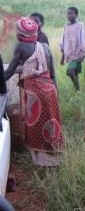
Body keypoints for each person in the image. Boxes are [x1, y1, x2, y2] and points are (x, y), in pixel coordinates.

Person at [4, 17, 64, 166]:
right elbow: (51, 72)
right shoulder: (45, 46)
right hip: (50, 89)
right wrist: (55, 91)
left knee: (36, 124)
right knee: (51, 121)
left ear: (20, 35)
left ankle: (41, 161)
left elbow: (10, 70)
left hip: (35, 92)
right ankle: (55, 158)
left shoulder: (20, 46)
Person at [59, 7, 85, 91]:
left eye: (71, 13)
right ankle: (78, 92)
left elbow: (83, 38)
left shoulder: (80, 25)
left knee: (70, 72)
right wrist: (62, 56)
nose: (69, 15)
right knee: (74, 73)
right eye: (67, 13)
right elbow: (64, 41)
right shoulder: (66, 26)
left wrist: (83, 53)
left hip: (77, 54)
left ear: (76, 15)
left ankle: (78, 90)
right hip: (68, 54)